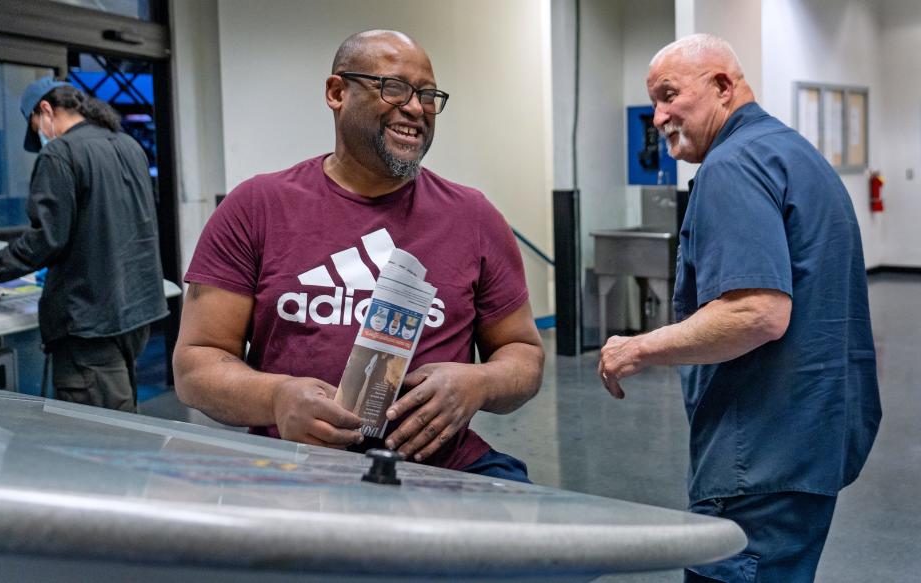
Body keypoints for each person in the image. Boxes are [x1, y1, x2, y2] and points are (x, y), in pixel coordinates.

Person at [174, 30, 544, 482]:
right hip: (294, 469)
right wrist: (277, 398)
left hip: (441, 470)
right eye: (394, 88)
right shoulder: (257, 207)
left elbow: (523, 353)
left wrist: (480, 383)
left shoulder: (474, 217)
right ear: (337, 93)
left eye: (428, 95)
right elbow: (196, 364)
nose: (415, 108)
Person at [597, 34, 881, 582]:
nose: (657, 117)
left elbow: (756, 312)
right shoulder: (795, 154)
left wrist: (636, 347)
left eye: (669, 94)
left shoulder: (733, 165)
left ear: (723, 86)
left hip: (760, 457)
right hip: (811, 441)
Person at [0, 77, 168, 412]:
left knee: (96, 434)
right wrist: (61, 269)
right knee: (123, 416)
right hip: (135, 311)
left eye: (35, 126)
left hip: (89, 321)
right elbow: (107, 226)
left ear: (46, 110)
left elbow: (45, 239)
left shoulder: (61, 154)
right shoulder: (127, 145)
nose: (41, 135)